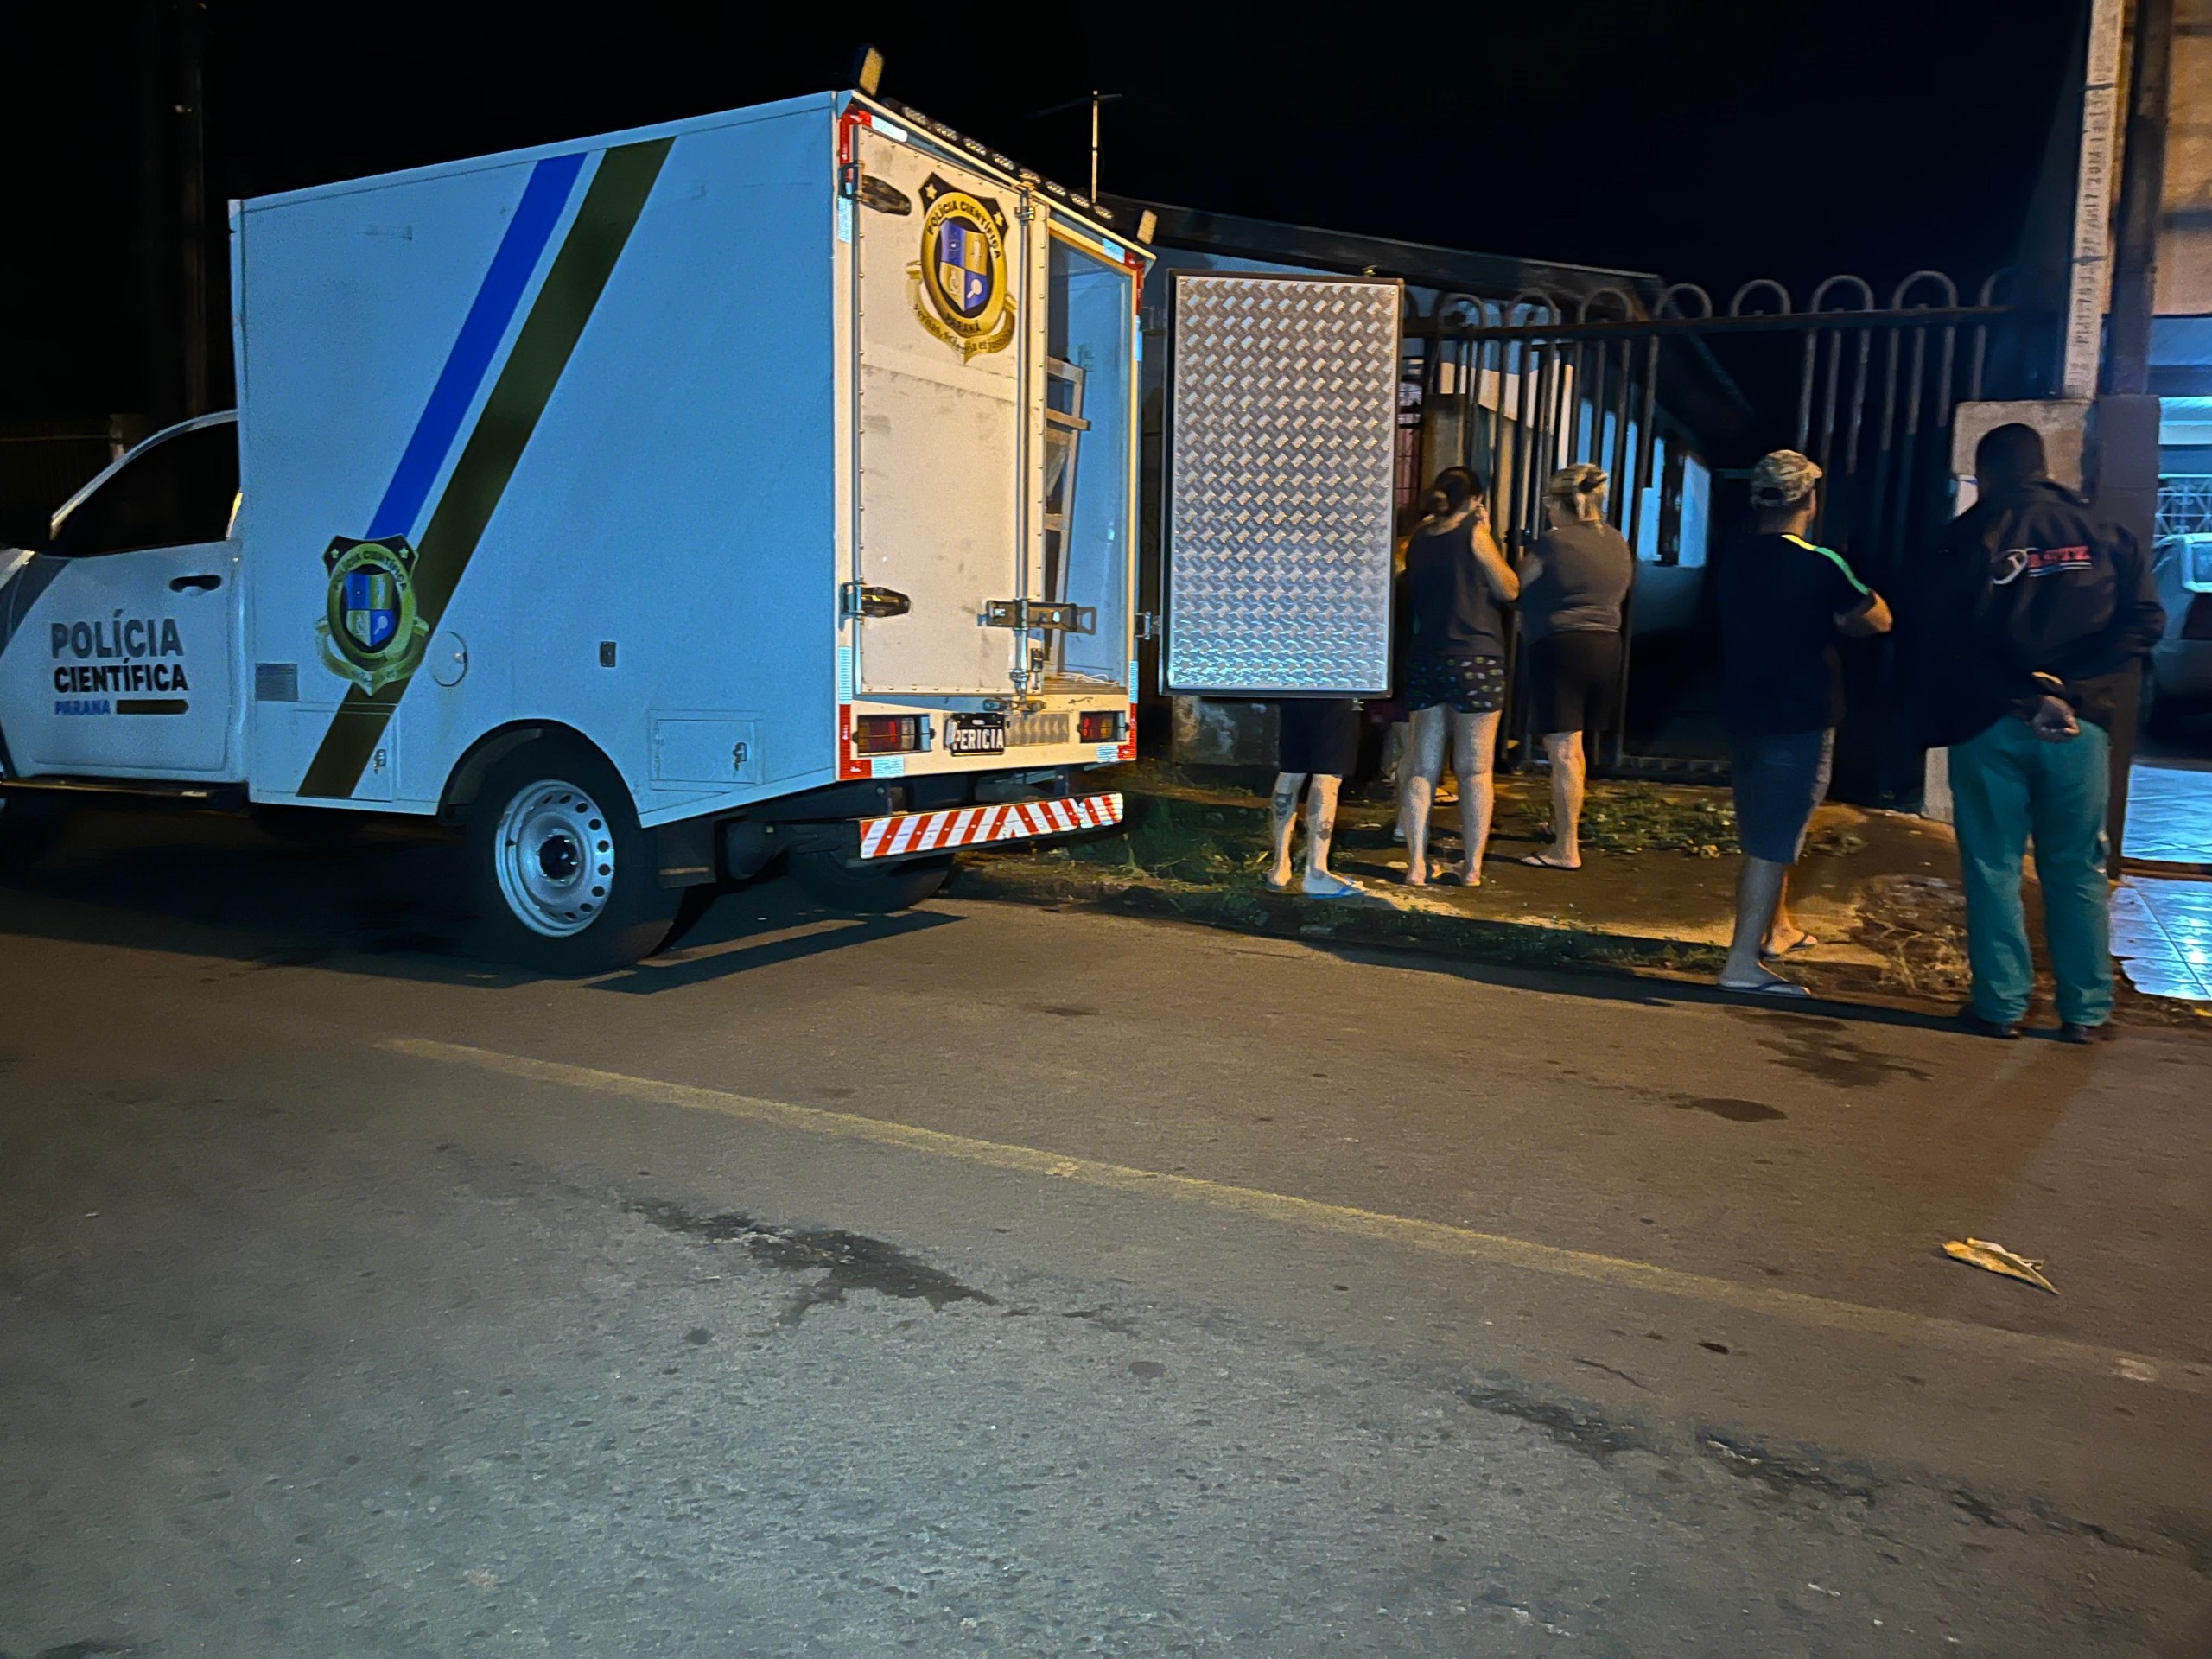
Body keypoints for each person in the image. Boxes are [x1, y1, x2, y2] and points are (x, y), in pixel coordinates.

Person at [1907, 423, 2163, 1042]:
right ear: (2048, 468)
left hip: (1989, 722)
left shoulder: (1961, 539)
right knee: (2076, 867)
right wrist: (2067, 691)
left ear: (1985, 475)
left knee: (1993, 864)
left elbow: (1938, 642)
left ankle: (2001, 1006)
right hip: (2079, 727)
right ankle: (2086, 1010)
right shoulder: (2109, 534)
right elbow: (2145, 621)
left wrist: (2025, 697)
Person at [1713, 450, 1891, 995]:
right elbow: (1878, 618)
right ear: (1809, 501)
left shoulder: (1734, 559)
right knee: (1774, 836)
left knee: (1768, 823)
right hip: (1799, 717)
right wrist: (1837, 618)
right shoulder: (1819, 563)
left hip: (1744, 712)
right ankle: (1742, 963)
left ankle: (1780, 928)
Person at [1399, 466, 1519, 886]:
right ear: (1475, 499)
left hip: (1427, 658)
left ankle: (1415, 864)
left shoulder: (1419, 539)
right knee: (1475, 770)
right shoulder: (1474, 535)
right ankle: (1471, 867)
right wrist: (1487, 536)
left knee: (1421, 766)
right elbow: (1509, 588)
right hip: (1477, 660)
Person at [1516, 464, 1636, 869]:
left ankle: (1566, 848)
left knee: (1563, 749)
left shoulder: (1551, 544)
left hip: (1560, 645)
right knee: (1578, 747)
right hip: (1606, 646)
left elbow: (1514, 587)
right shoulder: (1618, 541)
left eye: (1548, 503)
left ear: (1557, 502)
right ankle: (1564, 823)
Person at [1267, 697, 1362, 898]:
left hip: (1298, 683)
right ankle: (1316, 872)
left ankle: (1280, 865)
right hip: (1337, 685)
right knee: (1328, 774)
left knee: (1292, 770)